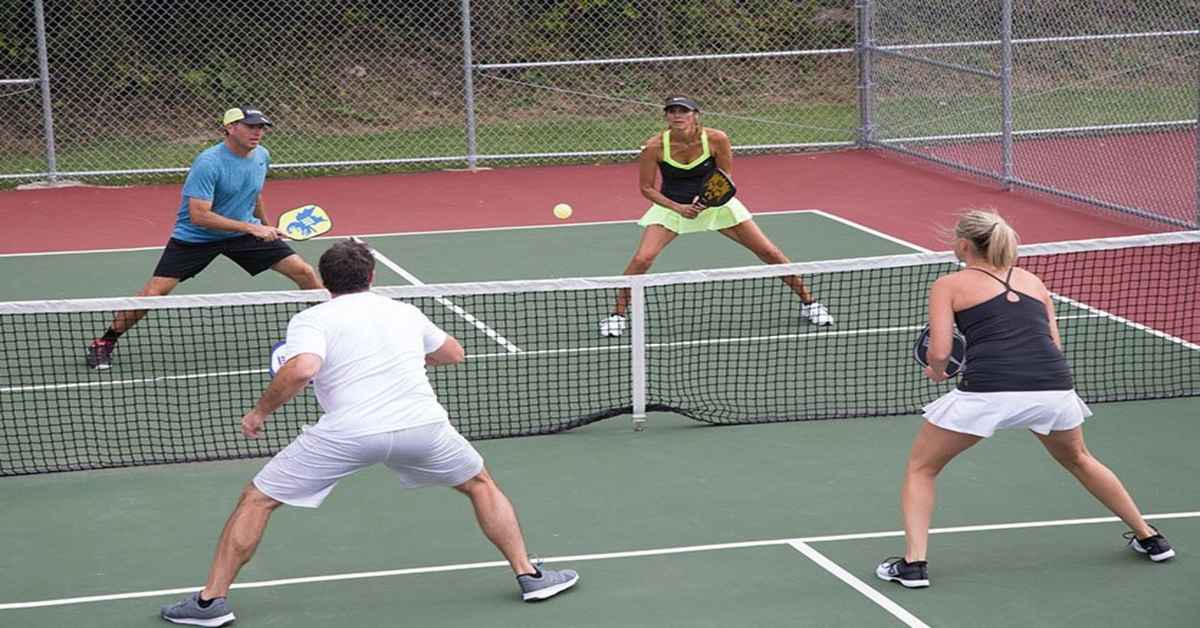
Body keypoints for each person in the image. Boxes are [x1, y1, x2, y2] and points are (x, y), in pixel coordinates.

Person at [159, 240, 579, 626]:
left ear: (325, 282)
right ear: (371, 277)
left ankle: (210, 602)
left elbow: (303, 368)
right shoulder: (403, 311)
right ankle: (530, 575)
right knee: (480, 483)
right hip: (423, 427)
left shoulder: (312, 318)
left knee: (258, 499)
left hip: (349, 433)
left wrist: (259, 412)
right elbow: (453, 354)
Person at [875, 210, 1174, 589]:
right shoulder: (1032, 281)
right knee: (1080, 459)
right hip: (1052, 386)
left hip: (990, 390)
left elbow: (939, 354)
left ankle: (914, 565)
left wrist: (937, 371)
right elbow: (1053, 343)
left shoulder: (948, 284)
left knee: (922, 469)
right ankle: (1151, 538)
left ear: (964, 245)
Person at [85, 106, 321, 369]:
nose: (258, 132)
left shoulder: (262, 156)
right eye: (251, 126)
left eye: (261, 127)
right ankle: (105, 341)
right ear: (231, 128)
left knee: (304, 271)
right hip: (197, 237)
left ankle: (328, 329)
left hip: (244, 230)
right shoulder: (208, 163)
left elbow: (254, 194)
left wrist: (268, 227)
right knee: (154, 292)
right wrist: (252, 229)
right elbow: (199, 215)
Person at [598, 95, 832, 337]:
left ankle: (810, 303)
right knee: (642, 260)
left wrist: (708, 200)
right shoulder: (654, 147)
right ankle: (617, 316)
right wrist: (679, 208)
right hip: (672, 208)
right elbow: (646, 188)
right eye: (672, 111)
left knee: (769, 252)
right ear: (666, 116)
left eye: (683, 111)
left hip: (718, 206)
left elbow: (724, 176)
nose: (678, 115)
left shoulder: (716, 139)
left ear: (695, 115)